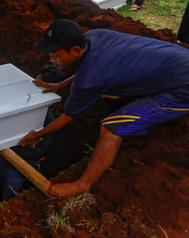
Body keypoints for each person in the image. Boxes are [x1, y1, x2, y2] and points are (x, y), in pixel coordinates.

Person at [21, 19, 189, 197]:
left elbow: (67, 116)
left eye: (55, 56)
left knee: (111, 128)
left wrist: (38, 135)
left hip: (183, 90)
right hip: (180, 61)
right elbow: (88, 68)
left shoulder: (88, 79)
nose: (51, 59)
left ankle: (83, 184)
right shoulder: (94, 36)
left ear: (75, 50)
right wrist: (59, 85)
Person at [0, 64, 63, 215]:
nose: (33, 89)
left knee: (10, 194)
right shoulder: (15, 103)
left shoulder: (48, 120)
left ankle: (2, 217)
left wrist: (11, 146)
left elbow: (40, 150)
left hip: (20, 165)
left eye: (39, 87)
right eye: (34, 83)